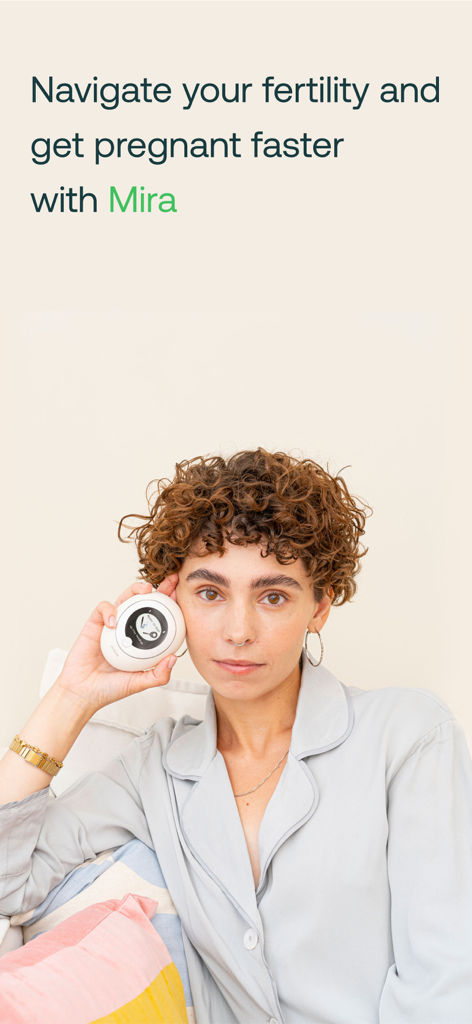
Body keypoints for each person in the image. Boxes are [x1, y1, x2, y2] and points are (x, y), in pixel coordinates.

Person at [1, 448, 471, 1024]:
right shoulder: (154, 769)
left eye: (273, 596)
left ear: (320, 605)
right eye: (210, 593)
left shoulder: (409, 738)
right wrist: (72, 697)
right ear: (170, 604)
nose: (238, 631)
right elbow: (9, 885)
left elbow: (444, 980)